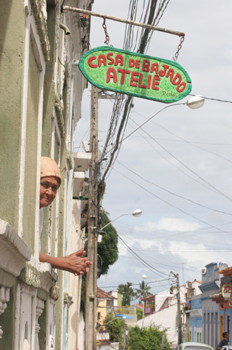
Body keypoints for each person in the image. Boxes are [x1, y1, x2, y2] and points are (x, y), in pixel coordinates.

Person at [39, 157, 92, 275]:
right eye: (44, 184)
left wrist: (65, 261)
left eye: (54, 188)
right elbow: (27, 253)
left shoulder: (39, 212)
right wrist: (63, 262)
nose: (49, 192)